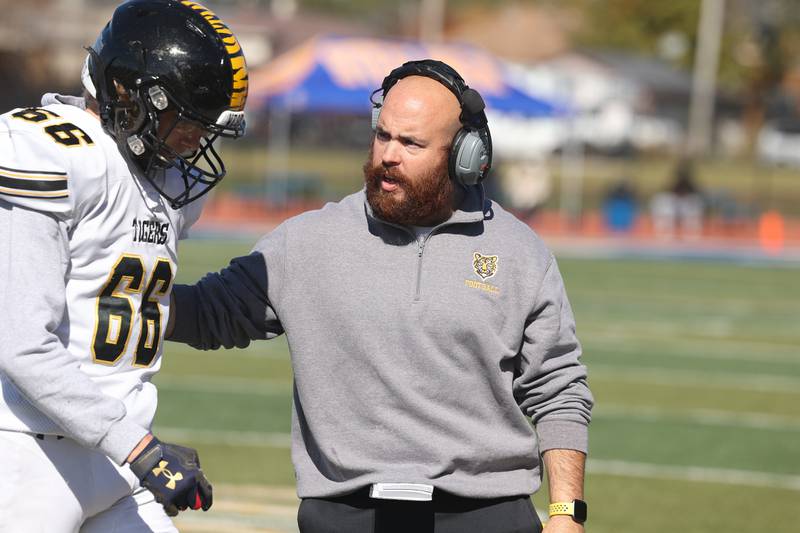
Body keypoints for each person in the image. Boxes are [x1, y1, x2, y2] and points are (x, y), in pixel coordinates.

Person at [168, 60, 592, 533]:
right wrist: (121, 296)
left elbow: (559, 390)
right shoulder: (307, 241)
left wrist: (566, 512)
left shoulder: (519, 252)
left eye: (411, 143)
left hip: (486, 515)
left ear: (464, 156)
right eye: (383, 135)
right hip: (345, 514)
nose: (389, 154)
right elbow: (208, 313)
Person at [0, 1, 249, 531]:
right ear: (125, 92)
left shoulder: (162, 179)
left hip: (114, 460)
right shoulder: (52, 151)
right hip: (26, 451)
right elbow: (20, 343)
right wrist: (139, 447)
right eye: (185, 117)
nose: (193, 139)